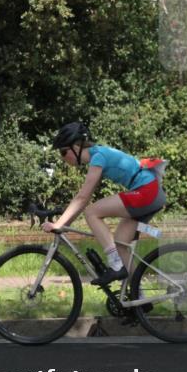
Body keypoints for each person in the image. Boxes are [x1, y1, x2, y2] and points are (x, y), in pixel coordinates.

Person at [42, 122, 166, 285]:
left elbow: (82, 198)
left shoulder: (98, 157)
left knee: (91, 212)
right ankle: (139, 298)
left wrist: (58, 224)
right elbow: (83, 198)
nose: (62, 157)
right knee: (120, 245)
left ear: (77, 147)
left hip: (147, 191)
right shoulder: (99, 155)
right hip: (151, 191)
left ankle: (115, 265)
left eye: (64, 152)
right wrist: (63, 225)